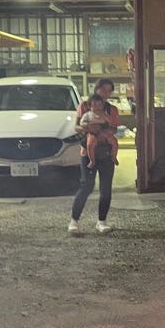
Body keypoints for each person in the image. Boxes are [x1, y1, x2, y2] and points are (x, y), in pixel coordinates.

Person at [68, 77, 120, 236]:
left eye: (109, 91)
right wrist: (88, 127)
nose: (106, 94)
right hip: (88, 152)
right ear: (96, 89)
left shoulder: (112, 109)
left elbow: (115, 128)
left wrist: (106, 131)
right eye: (103, 90)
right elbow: (76, 127)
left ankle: (102, 222)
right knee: (86, 186)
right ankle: (74, 221)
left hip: (106, 153)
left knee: (106, 189)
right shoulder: (85, 106)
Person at [80, 93, 119, 168]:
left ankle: (114, 156)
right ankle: (92, 161)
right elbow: (82, 123)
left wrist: (104, 116)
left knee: (114, 141)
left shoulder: (104, 114)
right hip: (92, 132)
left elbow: (111, 122)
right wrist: (87, 125)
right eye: (94, 105)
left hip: (104, 131)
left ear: (103, 106)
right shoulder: (88, 115)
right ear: (89, 106)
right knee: (90, 144)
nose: (97, 107)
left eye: (100, 105)